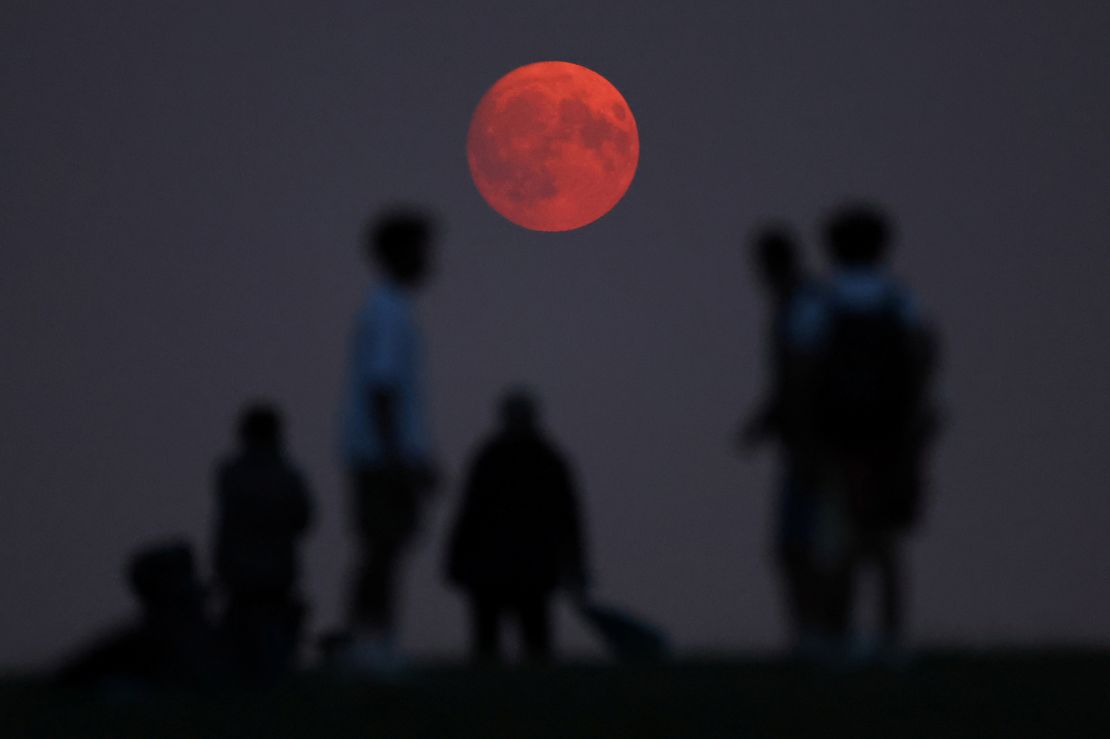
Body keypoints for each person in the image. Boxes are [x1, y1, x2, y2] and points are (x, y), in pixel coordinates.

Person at [787, 204, 937, 663]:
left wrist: (803, 437)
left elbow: (802, 373)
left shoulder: (819, 302)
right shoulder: (900, 301)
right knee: (885, 543)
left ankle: (838, 637)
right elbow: (923, 363)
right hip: (891, 437)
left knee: (838, 540)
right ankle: (891, 639)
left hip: (837, 437)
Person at [339, 208, 438, 673]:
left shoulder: (392, 308)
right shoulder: (387, 311)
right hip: (382, 458)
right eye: (421, 249)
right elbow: (381, 390)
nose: (429, 259)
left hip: (386, 454)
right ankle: (368, 646)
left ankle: (376, 641)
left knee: (387, 549)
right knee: (381, 549)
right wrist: (400, 459)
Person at [445, 390, 588, 663]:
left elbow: (468, 513)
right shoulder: (545, 459)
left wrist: (456, 560)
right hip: (516, 568)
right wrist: (575, 565)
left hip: (506, 568)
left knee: (509, 648)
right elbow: (569, 519)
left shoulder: (497, 457)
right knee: (515, 648)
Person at [737, 225, 823, 654]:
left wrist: (767, 420)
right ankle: (813, 634)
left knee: (799, 546)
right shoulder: (803, 301)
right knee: (804, 545)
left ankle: (812, 636)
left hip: (813, 444)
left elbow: (799, 374)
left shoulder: (799, 304)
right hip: (806, 441)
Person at [213, 403, 313, 677]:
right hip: (276, 573)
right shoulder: (289, 477)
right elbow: (304, 521)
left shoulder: (231, 475)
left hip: (240, 573)